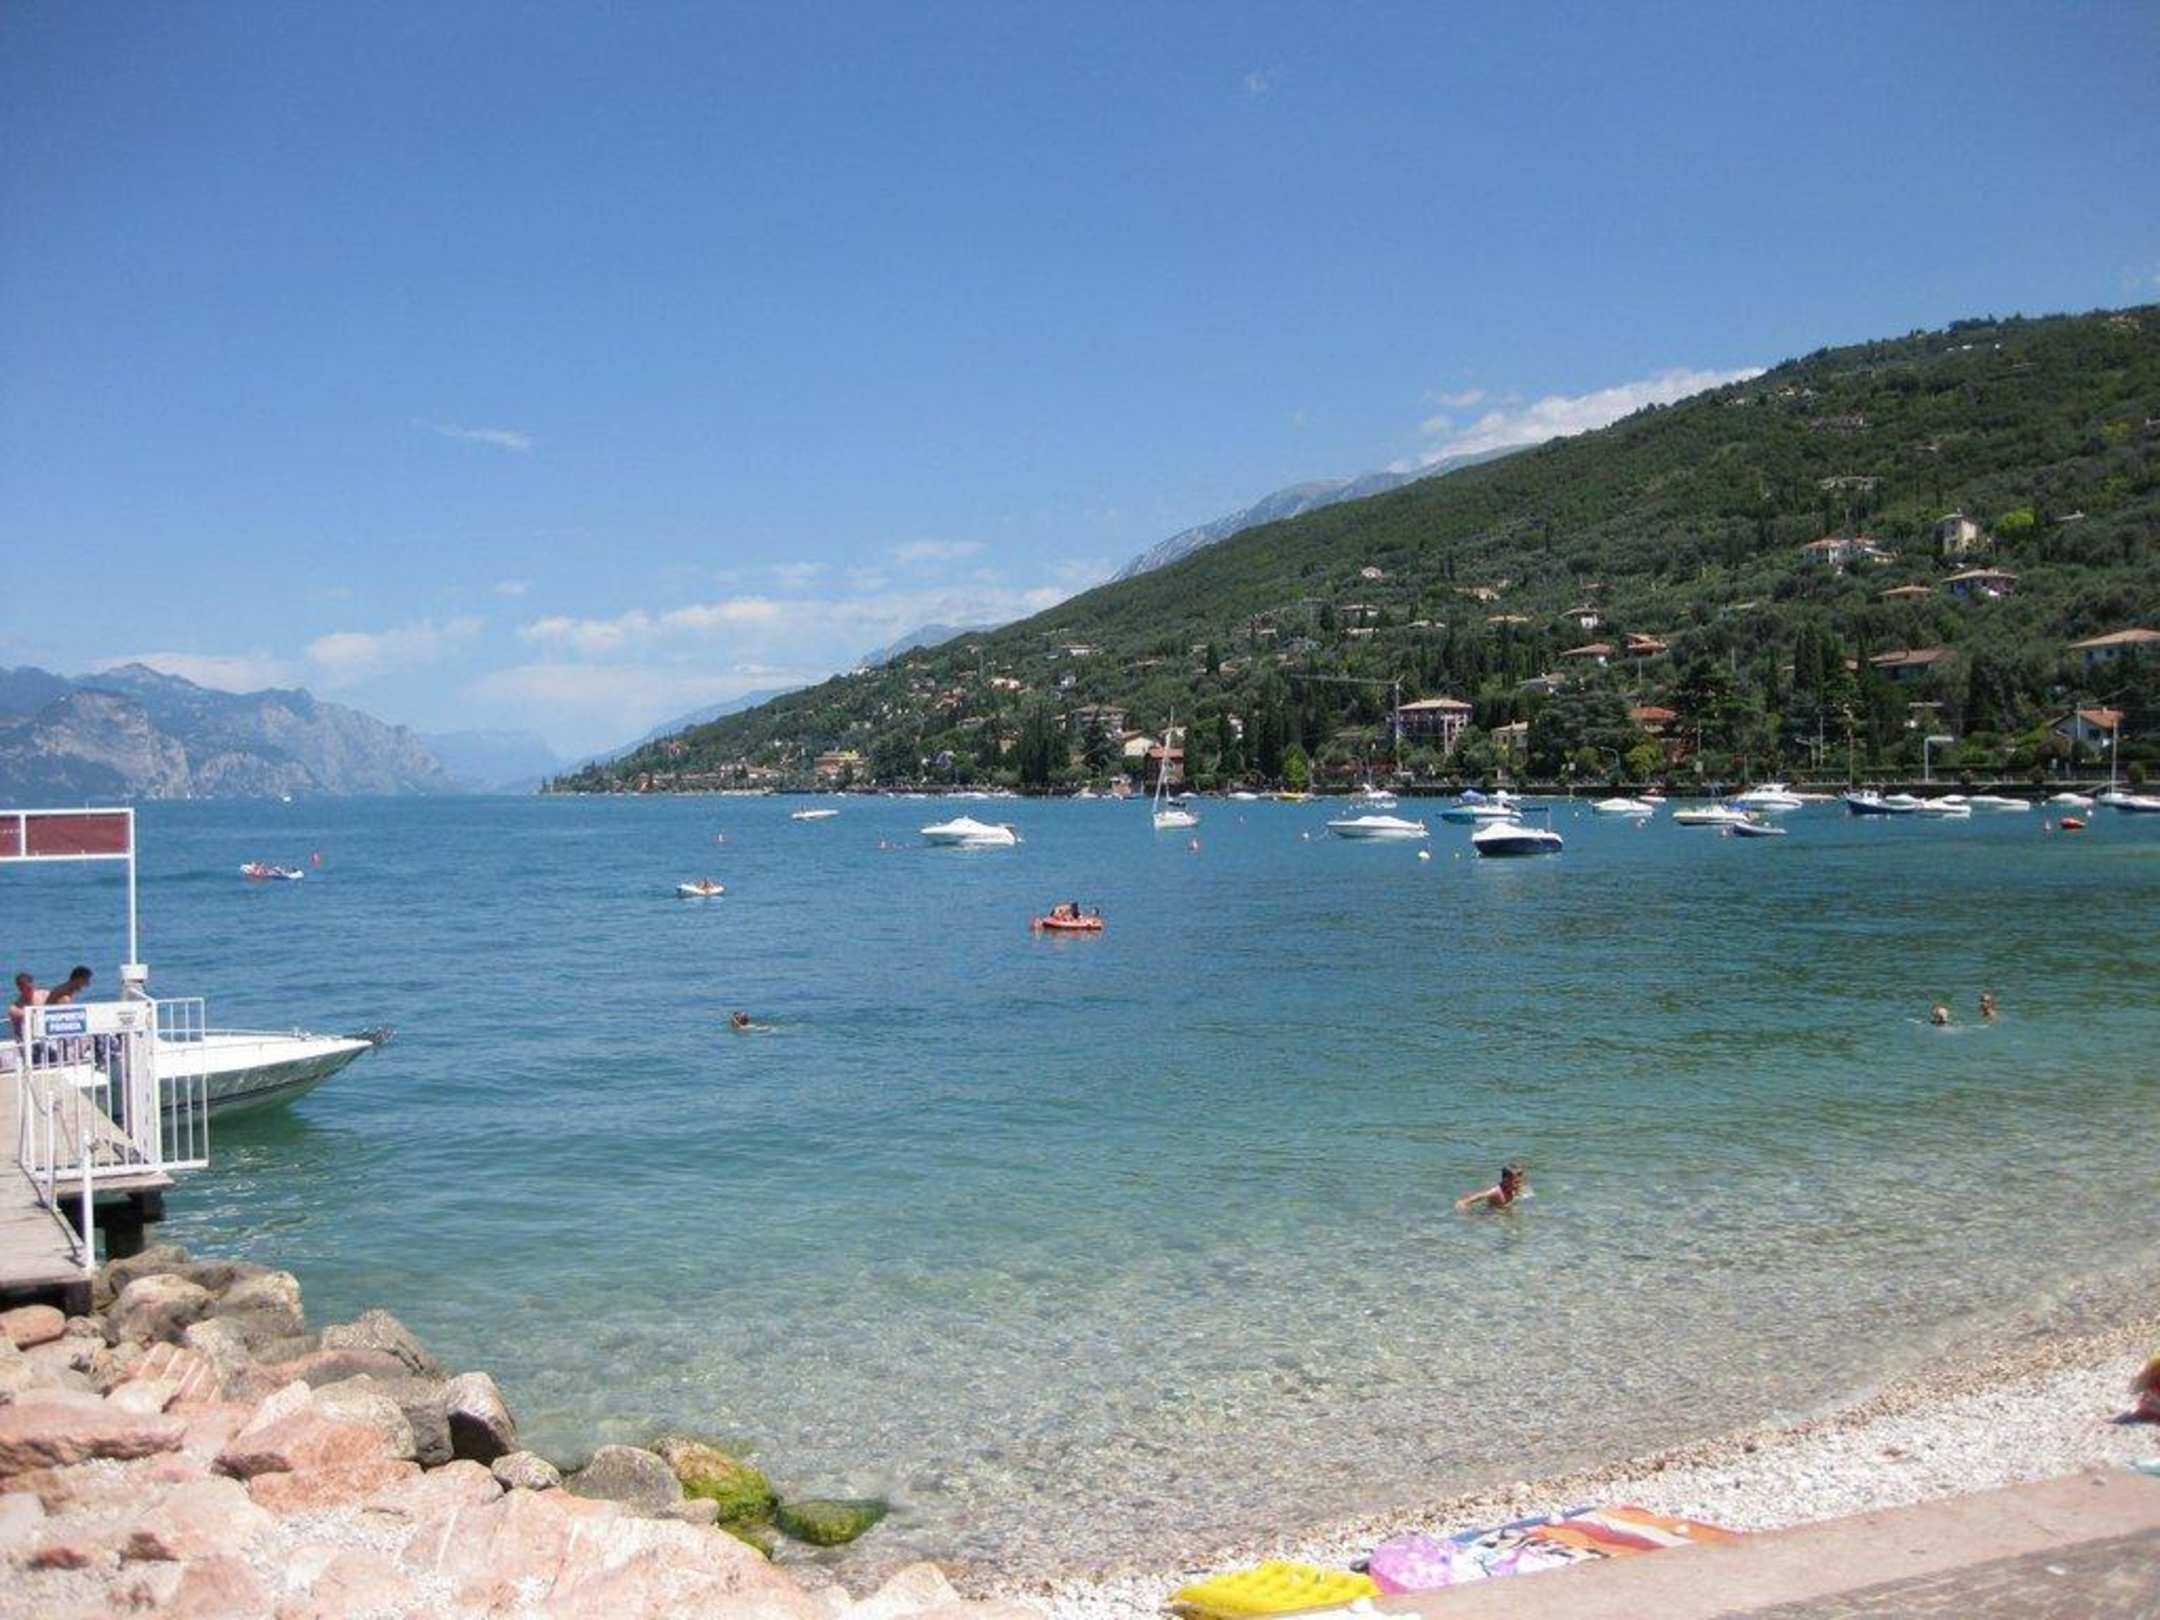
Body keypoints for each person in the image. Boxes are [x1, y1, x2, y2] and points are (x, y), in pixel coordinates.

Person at [1456, 1162, 1528, 1212]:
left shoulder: (1514, 1188)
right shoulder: (1496, 1192)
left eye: (1520, 1182)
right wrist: (1463, 1203)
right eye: (1516, 1182)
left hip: (1504, 1208)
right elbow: (1479, 1196)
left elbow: (1523, 1194)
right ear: (1506, 1181)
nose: (1519, 1185)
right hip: (1492, 1212)